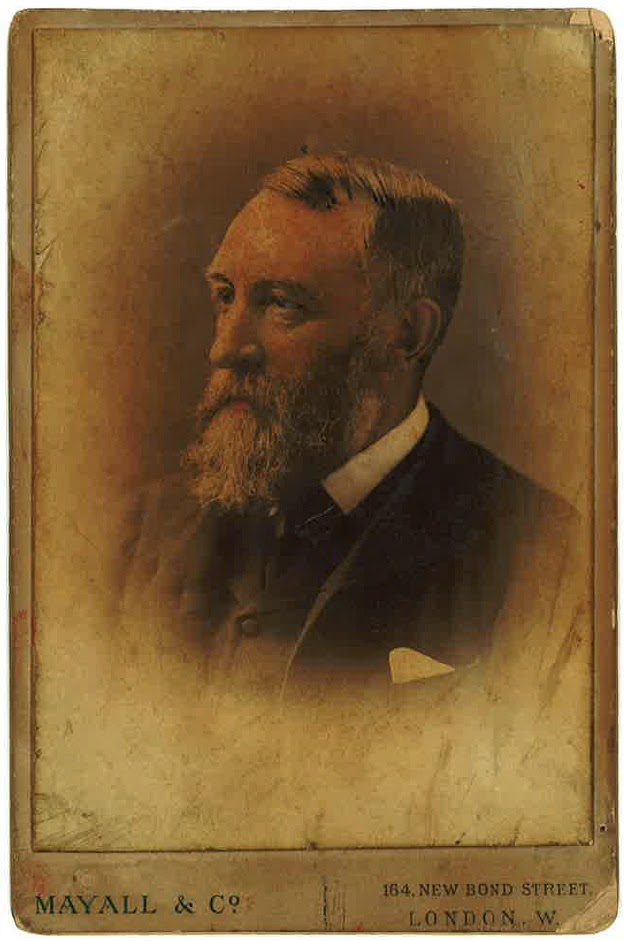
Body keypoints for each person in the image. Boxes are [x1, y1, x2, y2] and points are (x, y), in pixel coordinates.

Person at [120, 154, 590, 845]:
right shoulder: (141, 531)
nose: (227, 347)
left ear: (409, 334)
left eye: (283, 304)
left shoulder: (544, 557)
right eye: (225, 295)